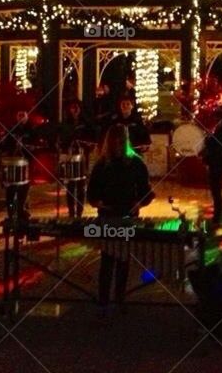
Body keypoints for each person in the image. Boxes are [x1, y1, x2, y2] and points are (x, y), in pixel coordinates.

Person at [87, 124, 155, 316]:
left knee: (123, 260)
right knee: (107, 261)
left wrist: (138, 205)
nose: (117, 144)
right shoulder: (101, 165)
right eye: (114, 140)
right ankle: (103, 300)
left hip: (127, 218)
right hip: (108, 218)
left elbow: (147, 193)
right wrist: (98, 202)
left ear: (125, 141)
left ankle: (119, 298)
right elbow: (92, 193)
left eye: (121, 140)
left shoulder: (136, 163)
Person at [57, 99, 97, 217]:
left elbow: (92, 139)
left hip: (82, 157)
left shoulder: (86, 124)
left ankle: (79, 212)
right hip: (70, 158)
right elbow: (61, 140)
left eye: (77, 108)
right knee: (70, 186)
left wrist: (86, 145)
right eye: (72, 108)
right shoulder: (65, 124)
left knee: (80, 186)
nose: (75, 110)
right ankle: (71, 212)